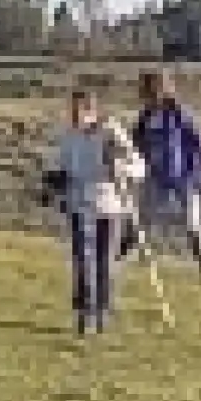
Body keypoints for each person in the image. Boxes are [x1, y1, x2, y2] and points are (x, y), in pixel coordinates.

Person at [46, 88, 146, 334]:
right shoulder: (69, 137)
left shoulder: (110, 133)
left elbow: (139, 167)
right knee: (82, 260)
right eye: (72, 110)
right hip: (79, 205)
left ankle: (102, 311)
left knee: (104, 261)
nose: (75, 116)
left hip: (109, 206)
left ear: (92, 111)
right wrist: (55, 179)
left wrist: (119, 167)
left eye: (80, 110)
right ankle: (84, 312)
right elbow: (63, 165)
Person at [128, 69, 201, 275]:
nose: (149, 96)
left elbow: (197, 143)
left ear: (163, 90)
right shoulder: (144, 118)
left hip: (184, 176)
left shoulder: (179, 114)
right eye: (145, 92)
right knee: (141, 219)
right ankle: (123, 257)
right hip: (154, 176)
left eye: (153, 91)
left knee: (192, 222)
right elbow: (135, 145)